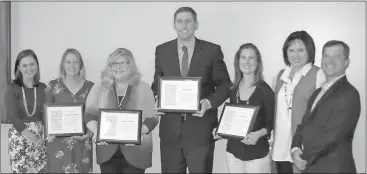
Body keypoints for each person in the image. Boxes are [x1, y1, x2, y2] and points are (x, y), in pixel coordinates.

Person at [151, 7, 231, 173]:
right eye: (179, 21)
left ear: (196, 24)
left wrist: (208, 103)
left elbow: (225, 85)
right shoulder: (162, 50)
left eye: (188, 21)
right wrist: (157, 97)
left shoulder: (212, 51)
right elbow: (157, 83)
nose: (184, 25)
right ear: (174, 25)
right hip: (170, 133)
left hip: (200, 131)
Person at [85, 48, 158, 173]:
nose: (118, 67)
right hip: (107, 152)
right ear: (109, 66)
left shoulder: (143, 88)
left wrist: (137, 134)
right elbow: (89, 114)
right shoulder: (99, 87)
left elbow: (152, 118)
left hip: (137, 152)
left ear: (131, 65)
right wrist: (97, 132)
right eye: (114, 63)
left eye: (123, 63)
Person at [291, 40, 361, 173]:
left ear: (346, 62)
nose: (330, 61)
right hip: (311, 166)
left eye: (336, 57)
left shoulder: (349, 94)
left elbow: (331, 136)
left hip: (333, 168)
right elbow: (303, 124)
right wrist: (295, 148)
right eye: (326, 56)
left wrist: (302, 156)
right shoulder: (318, 92)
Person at [271, 30, 326, 173]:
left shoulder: (318, 75)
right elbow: (275, 111)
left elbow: (323, 114)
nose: (295, 55)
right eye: (291, 50)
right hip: (280, 145)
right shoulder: (279, 76)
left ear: (310, 51)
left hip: (303, 146)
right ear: (286, 52)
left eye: (301, 50)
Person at [225, 43, 274, 173]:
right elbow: (231, 115)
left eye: (251, 58)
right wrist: (220, 128)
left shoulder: (265, 91)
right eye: (243, 57)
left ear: (258, 62)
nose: (247, 62)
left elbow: (271, 122)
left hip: (257, 154)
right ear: (238, 61)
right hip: (233, 152)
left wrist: (258, 134)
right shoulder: (232, 88)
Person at [45, 48, 94, 173]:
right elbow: (45, 113)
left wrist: (89, 133)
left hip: (82, 142)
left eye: (75, 62)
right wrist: (48, 132)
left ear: (81, 65)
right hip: (58, 144)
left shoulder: (91, 87)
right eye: (68, 62)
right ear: (63, 64)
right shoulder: (53, 85)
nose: (72, 66)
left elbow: (95, 114)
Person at [5, 49, 47, 173]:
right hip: (20, 137)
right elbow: (14, 118)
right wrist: (34, 139)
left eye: (32, 64)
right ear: (18, 67)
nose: (29, 68)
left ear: (37, 65)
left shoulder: (44, 88)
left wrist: (43, 137)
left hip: (40, 138)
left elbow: (47, 116)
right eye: (24, 65)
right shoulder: (12, 88)